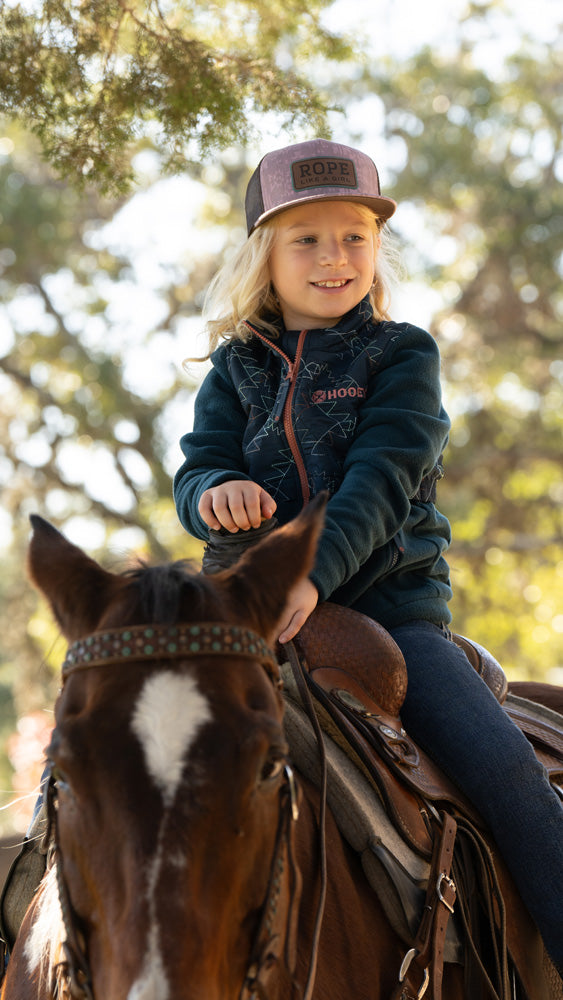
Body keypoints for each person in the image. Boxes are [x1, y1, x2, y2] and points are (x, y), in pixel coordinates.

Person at [173, 138, 563, 978]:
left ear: (376, 248)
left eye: (354, 236)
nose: (332, 257)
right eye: (305, 239)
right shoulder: (234, 368)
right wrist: (210, 491)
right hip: (250, 615)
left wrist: (309, 578)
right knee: (132, 743)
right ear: (263, 256)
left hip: (389, 615)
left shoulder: (401, 355)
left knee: (507, 782)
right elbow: (198, 460)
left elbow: (380, 486)